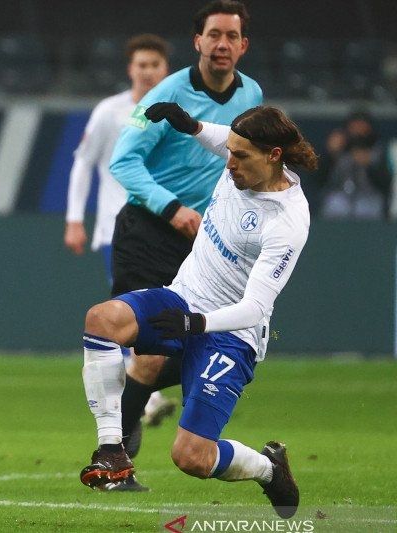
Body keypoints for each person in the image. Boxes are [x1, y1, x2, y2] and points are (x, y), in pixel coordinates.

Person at [80, 102, 317, 519]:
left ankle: (268, 468)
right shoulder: (242, 156)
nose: (229, 163)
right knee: (102, 320)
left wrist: (195, 324)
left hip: (231, 335)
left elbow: (255, 308)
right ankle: (111, 449)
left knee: (191, 456)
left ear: (273, 156)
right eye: (230, 151)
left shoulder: (288, 220)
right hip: (183, 298)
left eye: (240, 156)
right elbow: (219, 136)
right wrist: (190, 126)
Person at [101, 0, 263, 490]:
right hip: (150, 232)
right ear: (198, 42)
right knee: (149, 352)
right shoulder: (164, 94)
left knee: (194, 342)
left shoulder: (251, 92)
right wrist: (172, 207)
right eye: (214, 35)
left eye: (231, 36)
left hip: (205, 244)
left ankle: (122, 402)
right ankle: (114, 460)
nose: (222, 44)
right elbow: (123, 162)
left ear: (242, 45)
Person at [64, 33, 177, 491]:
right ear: (130, 69)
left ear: (165, 70)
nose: (148, 71)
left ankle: (139, 392)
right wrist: (75, 219)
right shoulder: (111, 112)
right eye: (141, 64)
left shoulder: (179, 117)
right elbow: (83, 162)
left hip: (174, 235)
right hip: (120, 231)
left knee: (168, 323)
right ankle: (138, 403)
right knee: (129, 319)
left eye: (155, 64)